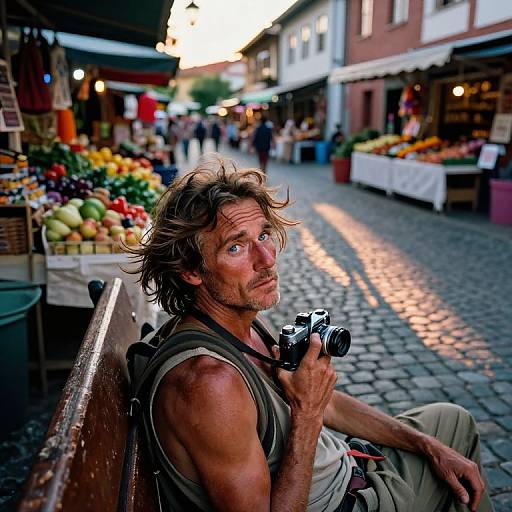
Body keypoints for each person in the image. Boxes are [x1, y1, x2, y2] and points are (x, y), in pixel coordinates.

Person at [133, 156, 492, 512]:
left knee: (447, 424)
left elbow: (326, 403)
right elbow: (311, 409)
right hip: (346, 502)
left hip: (349, 470)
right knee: (458, 434)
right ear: (191, 271)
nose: (266, 258)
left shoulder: (238, 321)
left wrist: (427, 445)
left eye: (264, 235)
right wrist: (307, 416)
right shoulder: (210, 384)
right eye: (236, 247)